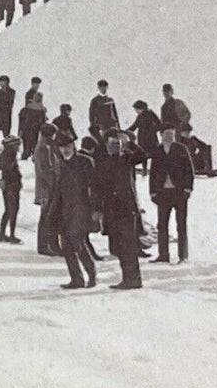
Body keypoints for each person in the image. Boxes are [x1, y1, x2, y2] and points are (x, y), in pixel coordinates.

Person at [95, 131, 143, 289]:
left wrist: (128, 141)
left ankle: (133, 279)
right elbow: (99, 188)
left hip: (127, 210)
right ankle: (128, 277)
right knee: (116, 247)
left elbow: (142, 155)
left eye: (116, 145)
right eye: (110, 145)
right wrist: (97, 208)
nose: (113, 148)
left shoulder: (127, 159)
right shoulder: (103, 163)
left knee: (128, 246)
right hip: (111, 210)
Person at [51, 134, 97, 289]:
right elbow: (57, 190)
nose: (65, 150)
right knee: (66, 246)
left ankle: (91, 273)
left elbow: (94, 187)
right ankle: (76, 279)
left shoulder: (85, 162)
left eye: (68, 146)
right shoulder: (58, 164)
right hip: (64, 211)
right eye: (62, 147)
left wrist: (95, 209)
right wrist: (52, 211)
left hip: (81, 210)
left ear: (73, 146)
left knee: (78, 242)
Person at [149, 125, 193, 263]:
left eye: (172, 134)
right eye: (167, 134)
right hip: (163, 193)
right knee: (162, 225)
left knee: (181, 224)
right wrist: (153, 192)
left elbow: (189, 170)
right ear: (161, 135)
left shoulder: (181, 149)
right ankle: (163, 255)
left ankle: (183, 255)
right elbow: (153, 173)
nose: (170, 136)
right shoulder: (157, 151)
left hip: (179, 193)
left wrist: (187, 189)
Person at [32, 123, 61, 256]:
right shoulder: (44, 148)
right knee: (46, 217)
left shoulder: (46, 146)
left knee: (51, 216)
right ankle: (44, 245)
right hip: (46, 188)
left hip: (47, 187)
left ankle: (52, 245)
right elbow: (45, 170)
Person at [0, 134, 23, 244]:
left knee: (8, 211)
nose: (19, 147)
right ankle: (11, 234)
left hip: (8, 187)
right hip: (12, 187)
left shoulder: (4, 154)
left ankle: (2, 233)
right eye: (17, 145)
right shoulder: (10, 156)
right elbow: (5, 170)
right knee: (13, 211)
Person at [18, 88, 46, 160]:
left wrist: (20, 130)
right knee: (33, 143)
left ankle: (26, 154)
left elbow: (21, 118)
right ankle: (31, 154)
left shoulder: (26, 108)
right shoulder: (41, 110)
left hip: (26, 128)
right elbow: (43, 122)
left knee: (26, 143)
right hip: (34, 129)